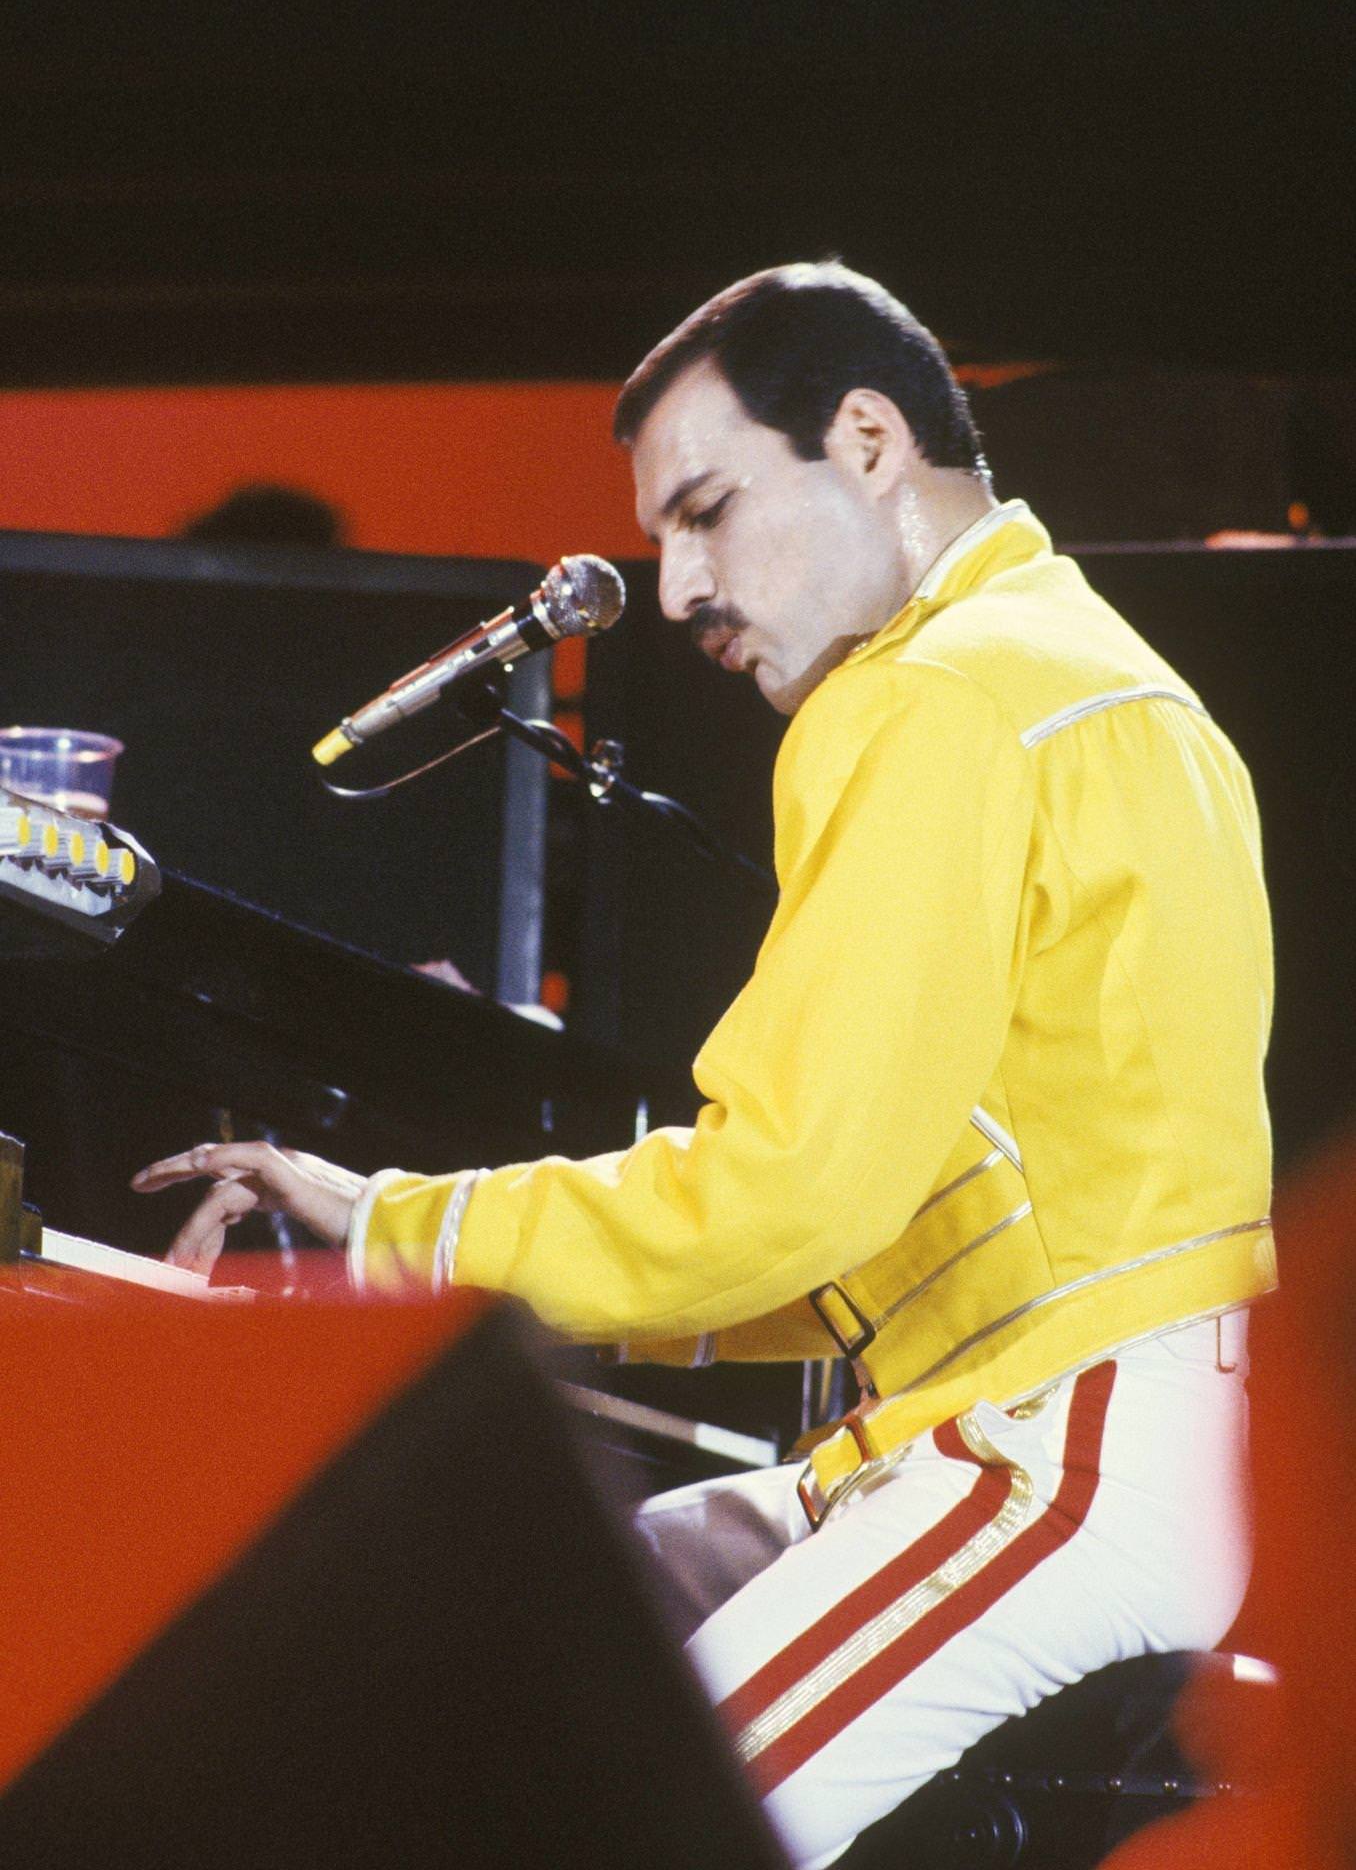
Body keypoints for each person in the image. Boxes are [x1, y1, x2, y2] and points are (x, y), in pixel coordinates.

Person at [133, 263, 1275, 1869]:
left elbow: (789, 1191)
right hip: (1020, 1425)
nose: (672, 590)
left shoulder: (934, 698)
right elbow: (905, 1220)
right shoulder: (1094, 674)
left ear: (870, 440)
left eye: (709, 511)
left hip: (1049, 1457)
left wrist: (395, 1230)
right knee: (491, 1630)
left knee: (620, 1824)